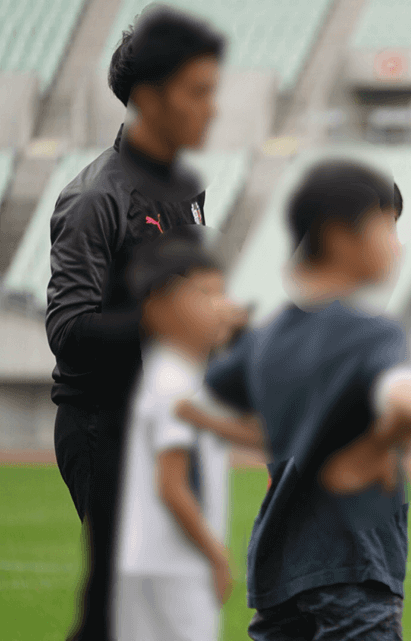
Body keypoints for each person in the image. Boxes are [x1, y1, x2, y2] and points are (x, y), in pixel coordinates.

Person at [45, 6, 225, 640]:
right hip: (107, 429)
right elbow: (68, 330)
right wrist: (169, 322)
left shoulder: (186, 190)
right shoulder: (95, 198)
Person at [201, 159, 411, 640]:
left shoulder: (266, 339)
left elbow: (201, 399)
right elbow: (409, 403)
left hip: (279, 570)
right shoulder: (373, 335)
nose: (396, 245)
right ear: (340, 237)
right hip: (354, 561)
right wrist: (371, 451)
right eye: (385, 228)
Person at [112, 227, 243, 641]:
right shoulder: (176, 383)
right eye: (205, 295)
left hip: (153, 560)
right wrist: (215, 555)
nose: (222, 307)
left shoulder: (171, 373)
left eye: (221, 293)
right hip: (174, 563)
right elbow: (172, 484)